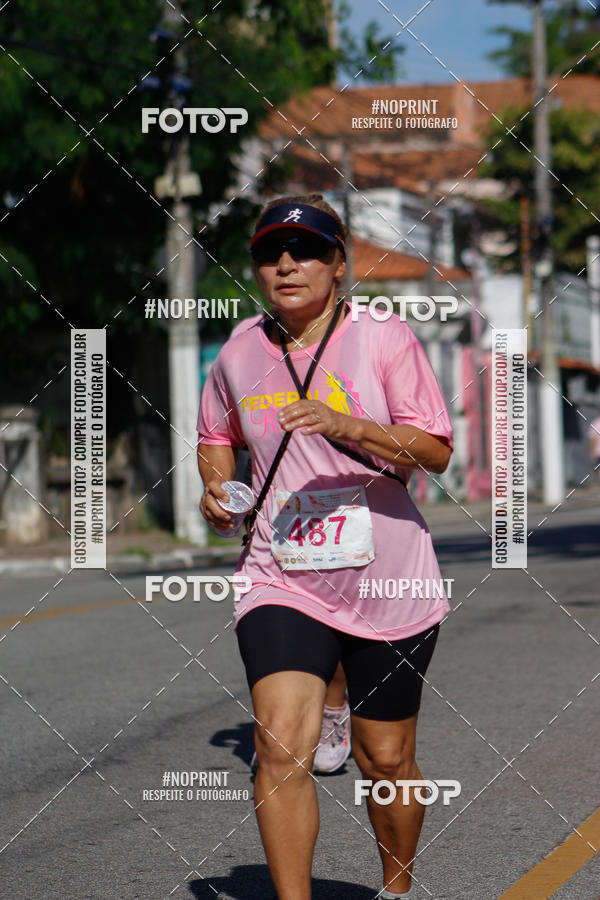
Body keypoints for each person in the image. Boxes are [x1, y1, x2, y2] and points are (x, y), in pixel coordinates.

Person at [197, 193, 453, 900]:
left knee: (388, 757)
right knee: (279, 746)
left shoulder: (384, 337)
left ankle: (396, 889)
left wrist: (348, 425)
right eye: (270, 253)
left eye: (306, 250)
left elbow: (434, 449)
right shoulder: (240, 350)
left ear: (339, 265)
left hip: (388, 581)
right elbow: (215, 435)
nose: (286, 264)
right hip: (283, 577)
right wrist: (217, 493)